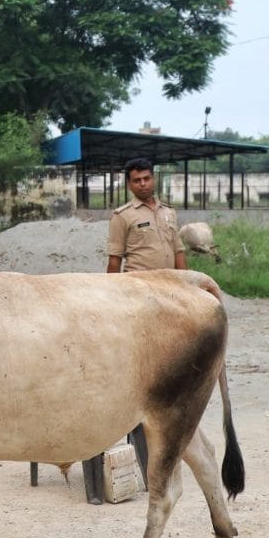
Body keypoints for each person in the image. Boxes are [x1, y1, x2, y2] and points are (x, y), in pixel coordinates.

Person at [82, 157, 187, 504]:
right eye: (136, 180)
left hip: (172, 294)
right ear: (129, 184)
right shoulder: (123, 216)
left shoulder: (169, 213)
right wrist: (111, 303)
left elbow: (179, 252)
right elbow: (114, 262)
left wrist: (189, 289)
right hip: (138, 297)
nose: (143, 184)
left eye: (146, 178)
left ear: (153, 179)